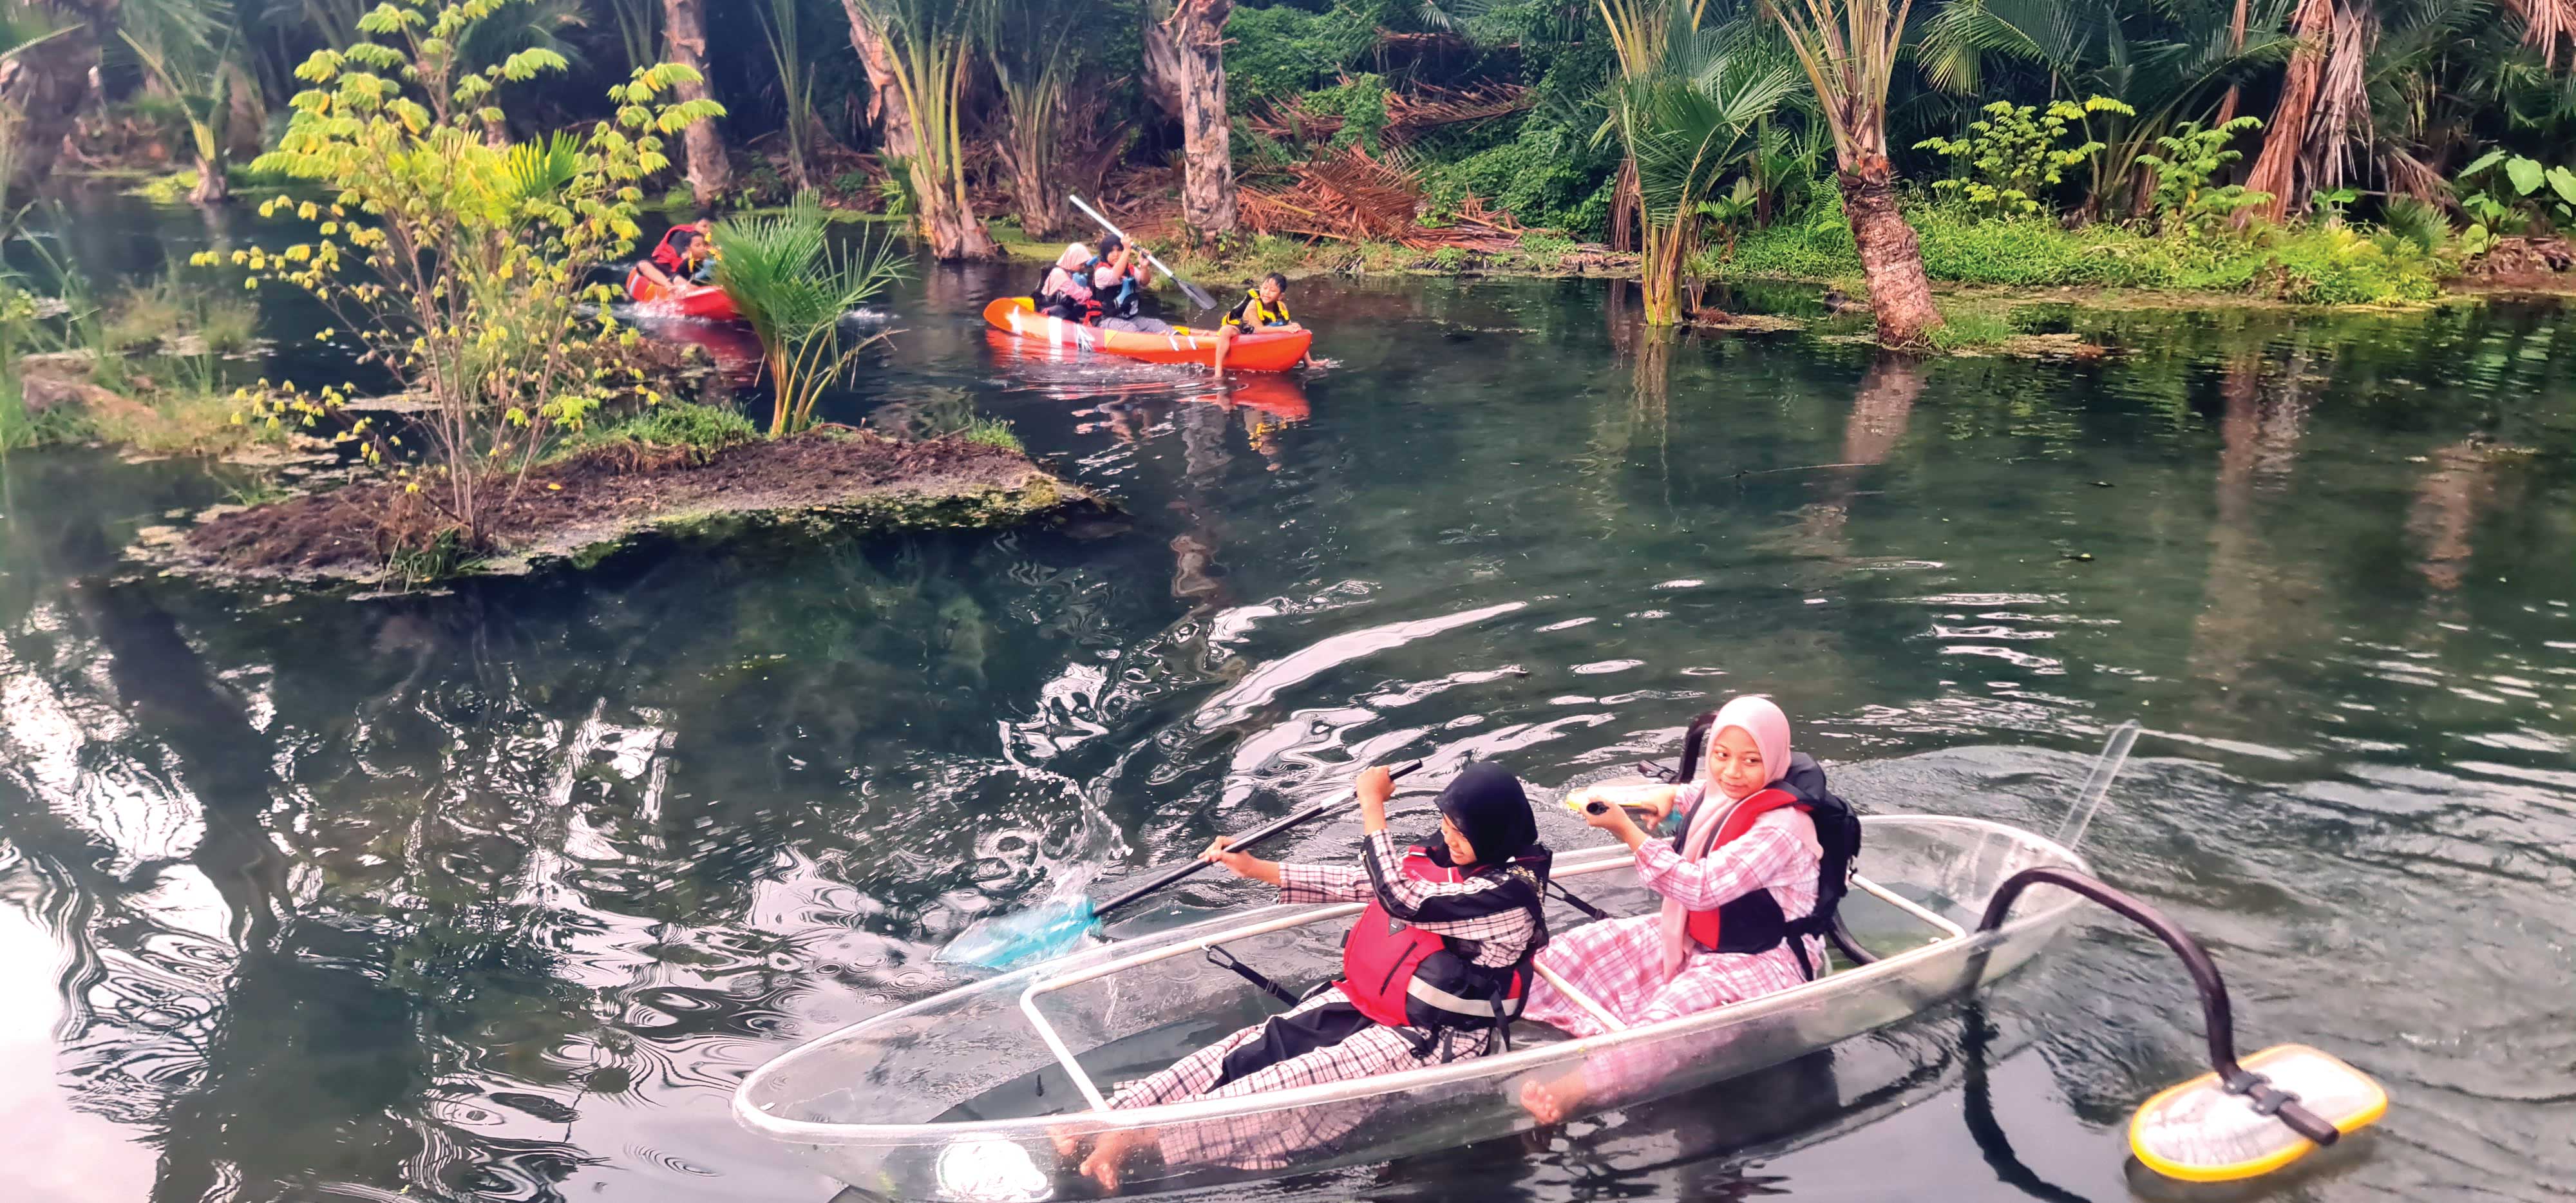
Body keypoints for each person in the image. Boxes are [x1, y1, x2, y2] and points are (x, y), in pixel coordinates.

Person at [1066, 762, 1552, 1190]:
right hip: (1372, 1002)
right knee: (1250, 1050)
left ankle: (1142, 1140)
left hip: (1434, 1035)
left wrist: (1371, 807)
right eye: (1445, 825)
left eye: (1460, 832)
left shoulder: (1507, 899)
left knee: (1290, 1082)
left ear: (1493, 835)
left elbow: (1399, 898)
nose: (1448, 838)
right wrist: (1257, 868)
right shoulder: (1455, 861)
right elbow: (1370, 884)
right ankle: (1113, 1115)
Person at [1515, 696, 1859, 1125]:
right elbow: (1697, 799)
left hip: (1764, 958)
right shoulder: (1730, 792)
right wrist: (1667, 800)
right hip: (1704, 935)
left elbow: (1701, 888)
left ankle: (1575, 1090)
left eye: (1750, 761)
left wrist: (1627, 831)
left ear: (1773, 761)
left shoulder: (1783, 828)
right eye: (1721, 755)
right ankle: (1505, 995)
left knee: (1672, 1018)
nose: (1732, 771)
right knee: (1589, 943)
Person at [1213, 272, 1314, 374]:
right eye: (1265, 288)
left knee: (1297, 327)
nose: (1267, 293)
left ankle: (1309, 362)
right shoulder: (1254, 305)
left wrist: (1293, 327)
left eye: (1273, 291)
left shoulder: (1281, 307)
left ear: (1280, 296)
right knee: (1226, 330)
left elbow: (1288, 326)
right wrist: (1285, 329)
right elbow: (1259, 330)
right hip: (1243, 330)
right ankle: (1218, 369)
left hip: (1260, 334)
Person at [1090, 235, 1175, 334]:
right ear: (1105, 254)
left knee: (1158, 325)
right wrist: (1127, 250)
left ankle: (1178, 340)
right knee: (1130, 329)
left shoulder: (1130, 270)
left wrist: (1144, 267)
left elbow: (1144, 282)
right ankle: (1152, 341)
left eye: (1119, 250)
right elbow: (1115, 276)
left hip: (1130, 318)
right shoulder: (1101, 273)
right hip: (1105, 320)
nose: (1116, 254)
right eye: (1111, 251)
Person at [1034, 243, 1101, 323]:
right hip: (1050, 311)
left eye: (1084, 264)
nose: (1083, 267)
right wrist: (1088, 290)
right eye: (1081, 264)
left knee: (1080, 308)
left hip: (1059, 307)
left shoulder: (1065, 272)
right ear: (1072, 260)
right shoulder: (1060, 274)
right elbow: (1082, 296)